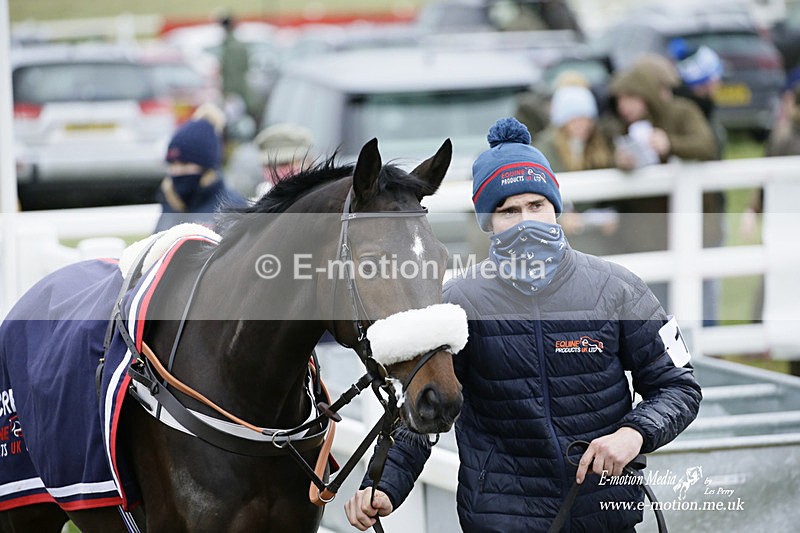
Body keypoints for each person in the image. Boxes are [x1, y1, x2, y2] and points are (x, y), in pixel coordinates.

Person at [344, 118, 702, 532]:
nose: (526, 220)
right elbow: (425, 412)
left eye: (536, 205)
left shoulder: (619, 289)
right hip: (500, 520)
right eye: (508, 211)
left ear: (555, 208)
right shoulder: (458, 303)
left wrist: (635, 434)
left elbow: (678, 386)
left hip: (604, 518)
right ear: (489, 223)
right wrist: (383, 485)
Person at [154, 105, 246, 233]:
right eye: (173, 164)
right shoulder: (170, 205)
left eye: (185, 164)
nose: (178, 171)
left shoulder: (232, 210)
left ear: (206, 168)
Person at [254, 122, 315, 196]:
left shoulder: (320, 197)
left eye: (284, 163)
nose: (276, 171)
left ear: (308, 162)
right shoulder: (261, 196)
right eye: (269, 164)